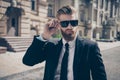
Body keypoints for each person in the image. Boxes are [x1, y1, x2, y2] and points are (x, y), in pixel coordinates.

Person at [22, 5, 107, 80]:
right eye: (65, 23)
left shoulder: (90, 47)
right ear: (58, 25)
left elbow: (100, 77)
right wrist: (44, 36)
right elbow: (28, 61)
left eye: (73, 22)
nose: (70, 27)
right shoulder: (51, 45)